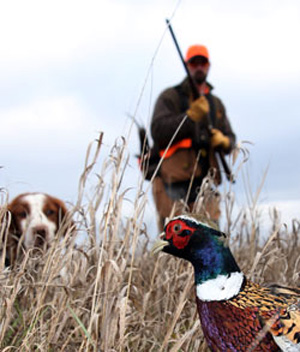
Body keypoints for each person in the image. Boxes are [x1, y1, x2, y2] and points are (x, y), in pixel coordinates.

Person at [150, 44, 236, 230]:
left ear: (208, 65)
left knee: (212, 246)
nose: (198, 67)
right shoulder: (170, 97)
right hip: (172, 182)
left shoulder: (216, 104)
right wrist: (189, 118)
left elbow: (231, 140)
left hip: (206, 182)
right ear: (187, 65)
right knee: (174, 246)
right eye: (194, 63)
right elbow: (157, 130)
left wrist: (223, 140)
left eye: (202, 63)